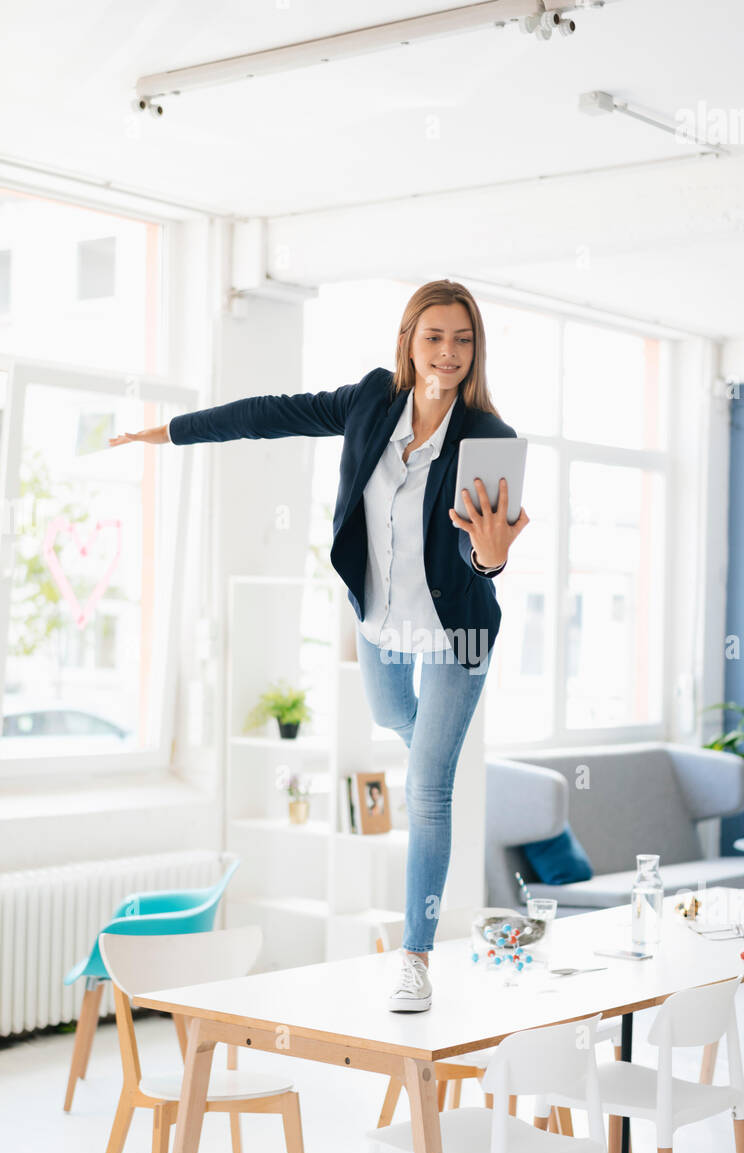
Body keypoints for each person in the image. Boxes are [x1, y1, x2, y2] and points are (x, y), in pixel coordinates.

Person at [109, 279, 529, 1012]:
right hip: (379, 621)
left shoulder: (487, 437)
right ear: (408, 341)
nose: (448, 352)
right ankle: (434, 746)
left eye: (462, 340)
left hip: (454, 630)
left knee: (428, 793)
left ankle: (415, 958)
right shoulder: (369, 401)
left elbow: (479, 550)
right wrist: (174, 432)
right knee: (390, 716)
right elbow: (268, 415)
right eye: (434, 336)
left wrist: (491, 559)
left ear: (476, 349)